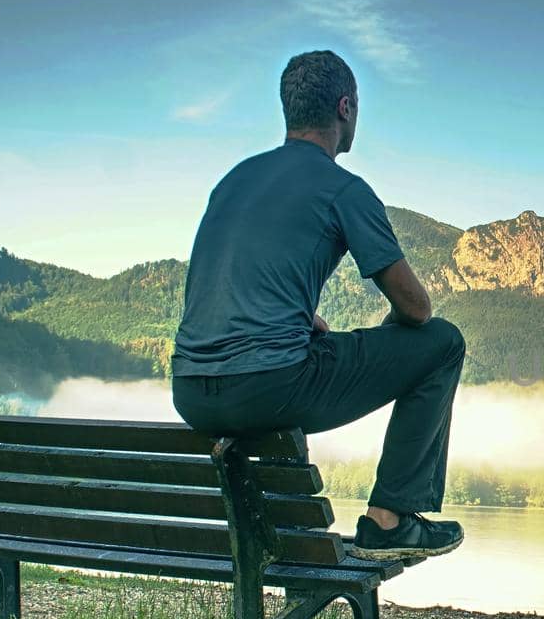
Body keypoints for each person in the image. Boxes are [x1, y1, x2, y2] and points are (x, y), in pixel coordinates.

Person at [171, 50, 465, 562]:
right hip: (269, 385)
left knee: (311, 345)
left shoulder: (232, 182)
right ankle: (391, 519)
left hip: (192, 392)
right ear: (345, 108)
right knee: (443, 343)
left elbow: (226, 281)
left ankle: (286, 536)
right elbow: (417, 309)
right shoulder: (342, 189)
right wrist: (393, 333)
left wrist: (301, 319)